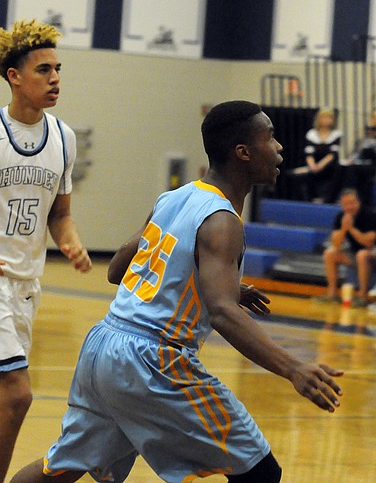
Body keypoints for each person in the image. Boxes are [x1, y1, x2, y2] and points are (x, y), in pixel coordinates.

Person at [10, 100, 344, 483]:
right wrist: (293, 367)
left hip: (104, 348)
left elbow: (118, 269)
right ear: (243, 153)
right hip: (153, 362)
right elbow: (221, 312)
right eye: (270, 137)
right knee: (260, 471)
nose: (280, 147)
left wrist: (209, 281)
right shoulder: (222, 221)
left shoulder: (176, 197)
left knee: (60, 468)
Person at [0, 19, 91, 483]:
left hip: (27, 286)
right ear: (14, 76)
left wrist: (71, 242)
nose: (55, 78)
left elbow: (60, 213)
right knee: (17, 395)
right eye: (43, 70)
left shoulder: (63, 138)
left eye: (58, 69)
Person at [319, 188, 376, 307]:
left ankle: (362, 296)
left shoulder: (370, 215)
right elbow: (336, 244)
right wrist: (344, 228)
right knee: (330, 253)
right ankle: (332, 294)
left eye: (352, 203)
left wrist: (351, 229)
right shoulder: (341, 217)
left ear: (358, 202)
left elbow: (369, 243)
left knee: (362, 255)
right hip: (355, 254)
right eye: (346, 204)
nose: (349, 207)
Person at [302, 107, 342, 203]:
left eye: (329, 118)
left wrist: (320, 165)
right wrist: (312, 166)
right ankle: (311, 199)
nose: (326, 120)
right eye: (324, 117)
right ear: (318, 119)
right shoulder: (311, 134)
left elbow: (332, 154)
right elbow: (309, 153)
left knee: (336, 171)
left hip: (330, 164)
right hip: (314, 164)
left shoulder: (336, 134)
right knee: (308, 173)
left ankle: (329, 198)